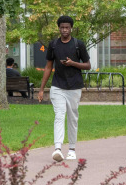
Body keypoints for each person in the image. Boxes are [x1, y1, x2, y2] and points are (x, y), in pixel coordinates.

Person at [38, 16, 90, 162]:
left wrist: (73, 63)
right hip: (57, 86)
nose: (64, 30)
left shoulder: (78, 44)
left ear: (71, 28)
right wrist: (42, 89)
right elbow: (48, 67)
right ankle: (58, 149)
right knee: (59, 115)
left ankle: (72, 149)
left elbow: (88, 65)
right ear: (59, 28)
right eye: (62, 27)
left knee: (72, 118)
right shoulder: (53, 45)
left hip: (74, 86)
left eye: (67, 27)